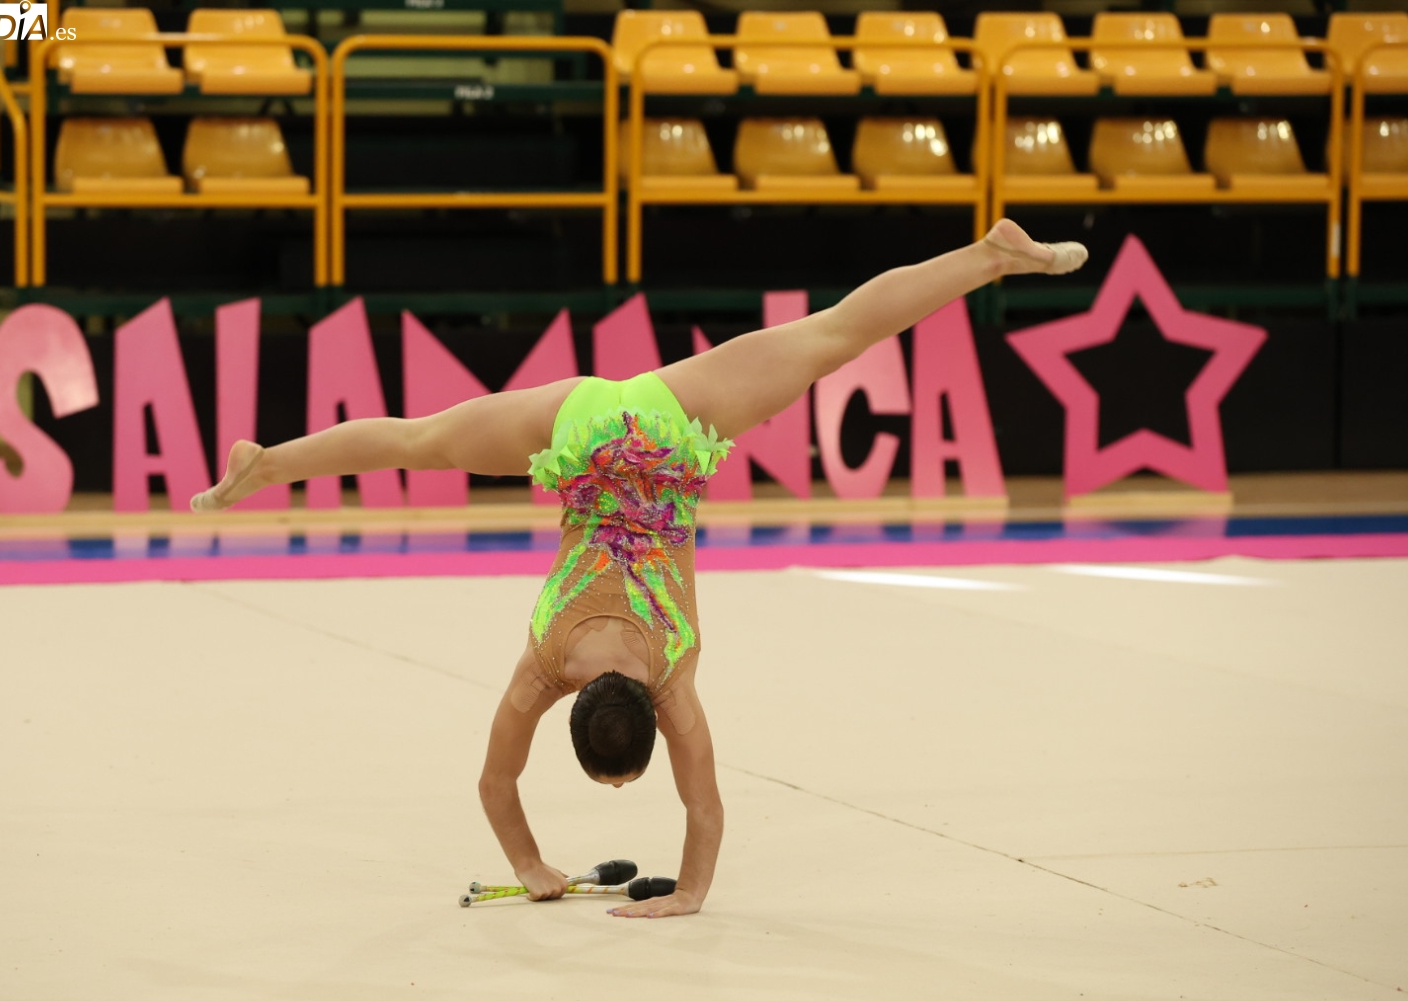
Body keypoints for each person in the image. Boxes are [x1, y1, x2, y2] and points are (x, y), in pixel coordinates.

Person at [191, 219, 1089, 918]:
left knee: (830, 339)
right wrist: (537, 865)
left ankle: (268, 460)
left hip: (662, 434)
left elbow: (694, 811)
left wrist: (672, 887)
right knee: (830, 335)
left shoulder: (669, 672)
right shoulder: (545, 663)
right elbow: (497, 785)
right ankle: (985, 255)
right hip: (583, 432)